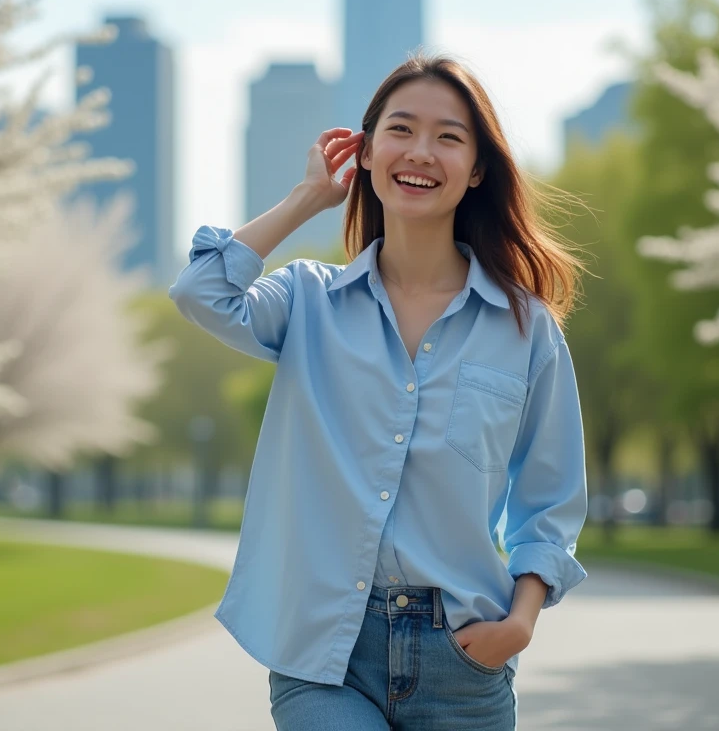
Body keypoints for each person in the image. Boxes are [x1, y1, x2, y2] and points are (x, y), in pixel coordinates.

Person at [168, 52, 588, 730]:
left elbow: (551, 497)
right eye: (401, 129)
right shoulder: (307, 300)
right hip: (326, 654)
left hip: (463, 658)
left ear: (477, 170)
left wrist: (519, 624)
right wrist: (308, 198)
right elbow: (200, 293)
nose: (421, 151)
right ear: (364, 151)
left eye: (450, 137)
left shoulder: (525, 328)